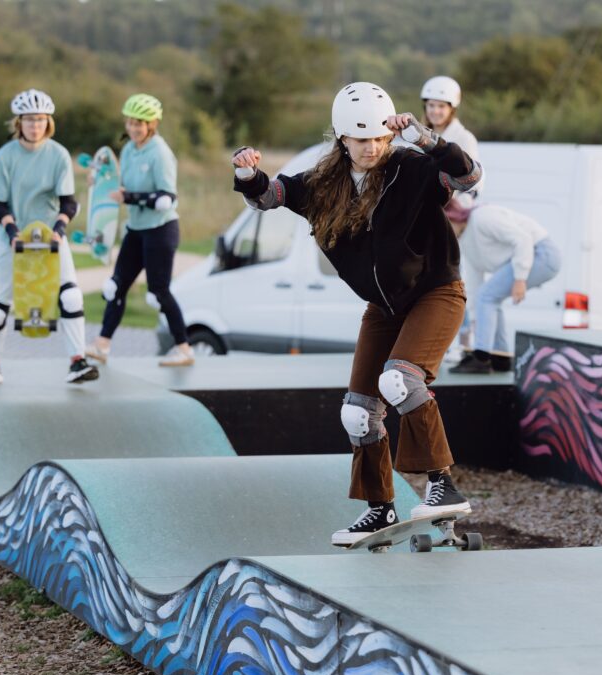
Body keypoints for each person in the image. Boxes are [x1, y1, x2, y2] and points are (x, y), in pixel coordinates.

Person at [231, 82, 483, 544]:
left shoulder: (412, 167)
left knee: (399, 380)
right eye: (361, 140)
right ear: (341, 138)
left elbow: (467, 178)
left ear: (390, 135)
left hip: (437, 293)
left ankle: (441, 484)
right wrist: (249, 174)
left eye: (379, 139)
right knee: (358, 414)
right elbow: (269, 197)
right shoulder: (323, 184)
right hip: (384, 308)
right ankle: (380, 510)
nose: (372, 149)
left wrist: (427, 139)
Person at [0, 88, 98, 386]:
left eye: (41, 119)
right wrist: (12, 231)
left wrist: (59, 229)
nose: (35, 125)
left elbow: (68, 201)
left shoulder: (57, 154)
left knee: (70, 295)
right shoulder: (5, 156)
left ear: (48, 122)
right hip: (12, 238)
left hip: (51, 237)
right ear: (19, 122)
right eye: (29, 120)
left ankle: (77, 362)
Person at [85, 94, 194, 367]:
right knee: (116, 287)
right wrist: (97, 178)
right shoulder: (129, 149)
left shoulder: (160, 153)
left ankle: (184, 349)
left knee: (159, 292)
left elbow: (165, 198)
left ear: (152, 124)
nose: (134, 128)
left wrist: (130, 198)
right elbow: (120, 184)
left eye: (140, 124)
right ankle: (102, 345)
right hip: (135, 229)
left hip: (160, 230)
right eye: (131, 123)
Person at [448, 203, 561, 374]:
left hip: (542, 253)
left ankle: (481, 357)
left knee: (488, 296)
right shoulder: (465, 241)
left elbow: (522, 239)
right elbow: (474, 284)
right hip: (528, 256)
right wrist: (474, 320)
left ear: (453, 217)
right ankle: (500, 357)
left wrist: (520, 278)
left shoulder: (481, 217)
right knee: (489, 297)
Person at [421, 75, 482, 361]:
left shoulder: (463, 138)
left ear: (452, 108)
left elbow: (473, 183)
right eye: (431, 105)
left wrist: (451, 205)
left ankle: (461, 343)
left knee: (453, 279)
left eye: (441, 106)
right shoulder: (418, 135)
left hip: (451, 218)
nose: (435, 111)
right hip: (425, 216)